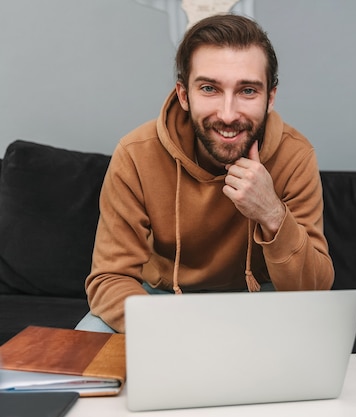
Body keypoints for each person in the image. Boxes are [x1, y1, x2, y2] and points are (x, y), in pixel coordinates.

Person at [77, 14, 334, 333]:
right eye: (210, 88)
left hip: (258, 302)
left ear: (270, 98)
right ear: (184, 95)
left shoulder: (295, 155)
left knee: (317, 340)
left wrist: (272, 213)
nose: (228, 114)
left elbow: (314, 293)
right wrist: (180, 333)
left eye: (248, 91)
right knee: (89, 337)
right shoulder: (135, 154)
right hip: (161, 304)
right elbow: (109, 279)